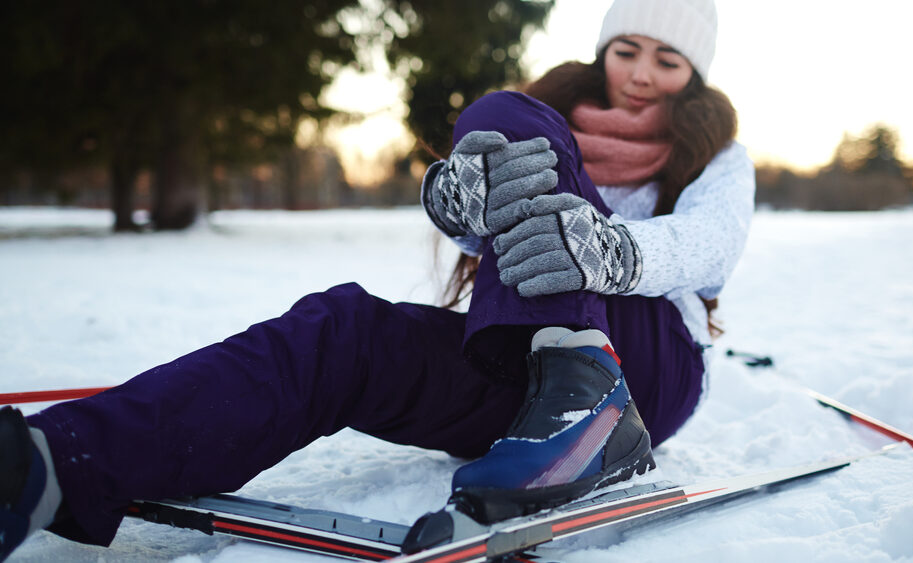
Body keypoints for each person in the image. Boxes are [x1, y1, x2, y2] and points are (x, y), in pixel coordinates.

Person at [0, 0, 754, 557]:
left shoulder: (715, 154)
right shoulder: (548, 117)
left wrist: (613, 252)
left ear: (694, 76)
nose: (643, 74)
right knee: (345, 330)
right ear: (603, 51)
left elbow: (711, 243)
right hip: (519, 365)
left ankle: (588, 399)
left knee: (514, 126)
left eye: (668, 60)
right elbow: (497, 224)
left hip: (647, 368)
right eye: (628, 49)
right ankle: (47, 466)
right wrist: (461, 206)